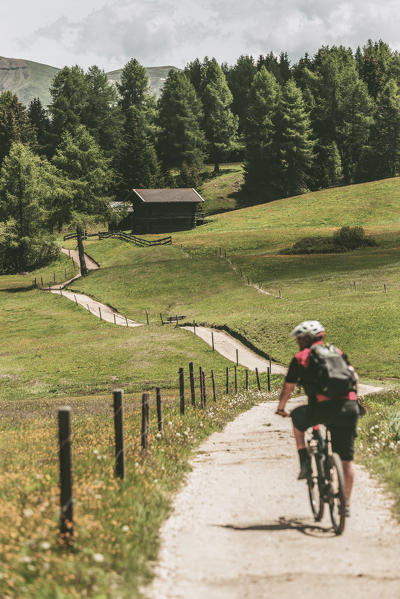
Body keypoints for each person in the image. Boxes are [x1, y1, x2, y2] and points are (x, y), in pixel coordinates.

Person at [276, 320, 360, 515]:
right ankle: (345, 505)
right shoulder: (336, 352)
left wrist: (281, 408)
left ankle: (304, 460)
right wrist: (353, 402)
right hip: (348, 406)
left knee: (297, 417)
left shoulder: (301, 357)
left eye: (298, 339)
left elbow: (288, 386)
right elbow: (354, 377)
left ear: (305, 339)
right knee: (347, 460)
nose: (297, 342)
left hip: (321, 409)